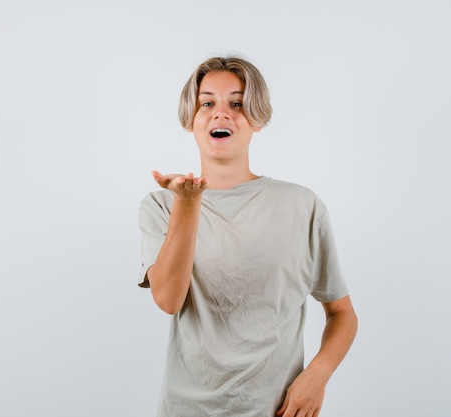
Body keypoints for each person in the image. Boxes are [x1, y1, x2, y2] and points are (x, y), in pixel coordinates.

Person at [138, 56, 358, 417]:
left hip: (278, 410)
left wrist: (317, 376)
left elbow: (342, 313)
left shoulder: (302, 205)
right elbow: (168, 300)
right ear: (191, 119)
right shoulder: (162, 206)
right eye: (207, 102)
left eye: (237, 104)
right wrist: (189, 204)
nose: (221, 113)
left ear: (256, 118)